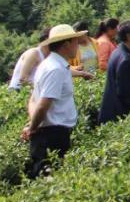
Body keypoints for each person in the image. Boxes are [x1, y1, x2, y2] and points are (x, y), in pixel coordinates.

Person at [21, 24, 87, 177]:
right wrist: (32, 128)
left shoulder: (49, 65)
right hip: (52, 136)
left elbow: (33, 99)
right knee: (49, 178)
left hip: (49, 132)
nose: (78, 45)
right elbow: (43, 105)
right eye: (75, 42)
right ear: (66, 44)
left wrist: (32, 125)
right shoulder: (55, 69)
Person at [98, 20, 130, 124]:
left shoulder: (121, 51)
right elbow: (125, 93)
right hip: (120, 116)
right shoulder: (125, 59)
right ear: (129, 36)